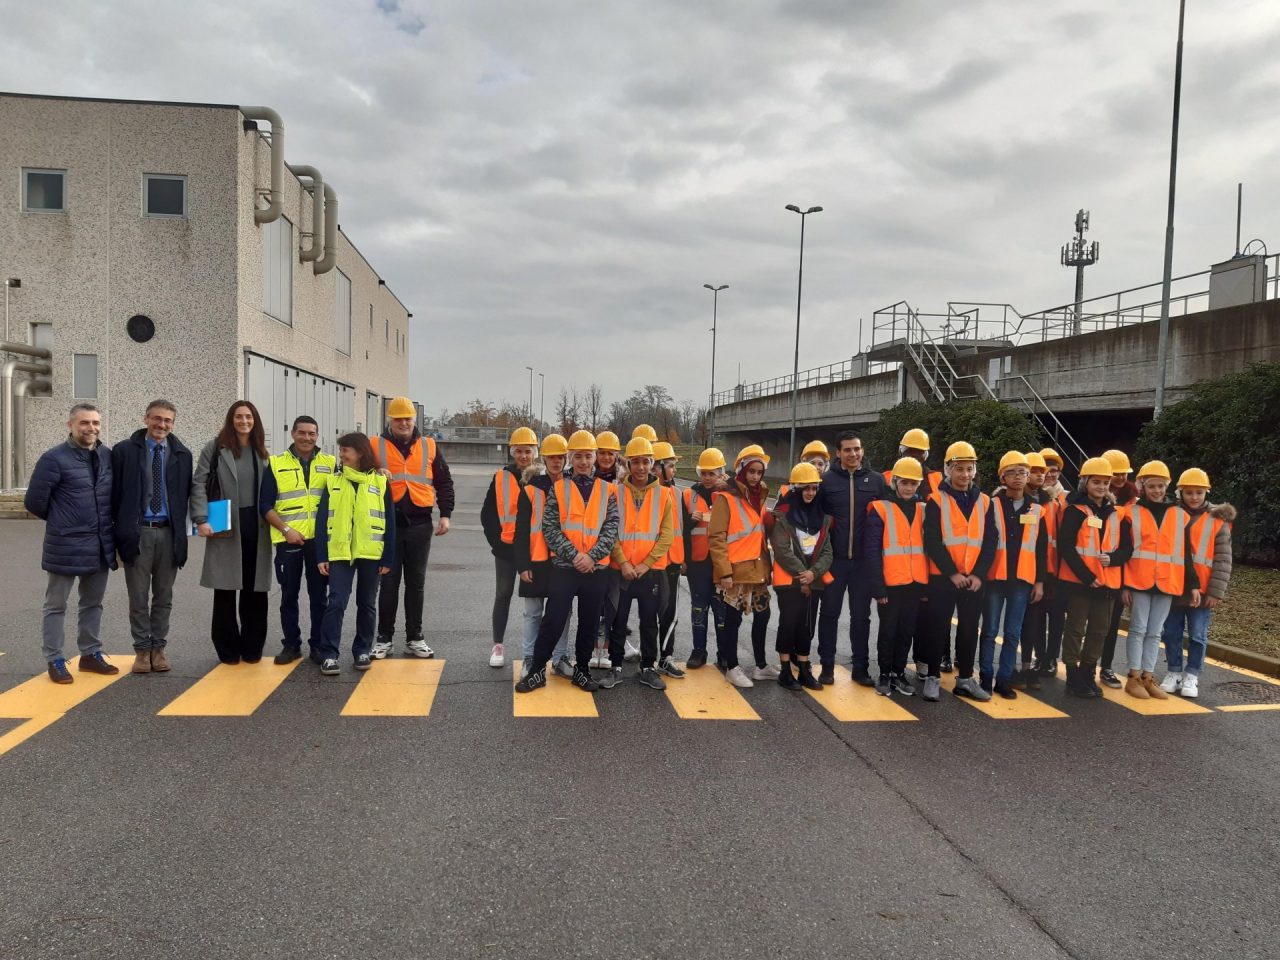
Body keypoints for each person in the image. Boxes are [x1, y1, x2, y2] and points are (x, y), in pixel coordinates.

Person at [515, 430, 619, 694]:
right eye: (578, 457)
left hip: (596, 569)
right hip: (565, 568)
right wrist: (575, 556)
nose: (584, 462)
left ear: (595, 458)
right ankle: (537, 669)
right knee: (554, 619)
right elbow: (549, 528)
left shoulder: (608, 490)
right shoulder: (559, 489)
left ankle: (581, 670)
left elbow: (611, 528)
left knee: (588, 621)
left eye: (588, 456)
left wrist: (591, 557)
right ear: (571, 458)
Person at [25, 403, 120, 684]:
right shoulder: (53, 458)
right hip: (65, 544)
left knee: (93, 603)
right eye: (84, 423)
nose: (91, 428)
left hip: (100, 543)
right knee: (56, 605)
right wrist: (64, 522)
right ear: (70, 425)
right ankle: (54, 658)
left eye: (95, 423)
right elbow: (34, 502)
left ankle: (90, 653)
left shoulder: (106, 455)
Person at [110, 399, 193, 675]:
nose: (162, 425)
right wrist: (117, 534)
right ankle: (142, 650)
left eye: (167, 420)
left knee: (164, 596)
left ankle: (159, 648)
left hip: (169, 534)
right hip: (138, 532)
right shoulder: (124, 451)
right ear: (146, 419)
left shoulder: (182, 455)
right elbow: (114, 496)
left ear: (173, 423)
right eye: (157, 419)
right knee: (138, 595)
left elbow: (186, 496)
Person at [372, 396, 454, 660]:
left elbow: (444, 482)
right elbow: (355, 474)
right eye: (398, 419)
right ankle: (383, 638)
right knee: (388, 584)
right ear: (390, 421)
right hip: (389, 525)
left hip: (420, 524)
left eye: (407, 418)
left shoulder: (429, 446)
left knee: (416, 584)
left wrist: (446, 515)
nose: (403, 423)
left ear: (414, 420)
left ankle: (414, 638)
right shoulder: (375, 445)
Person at [192, 400, 273, 664]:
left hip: (257, 525)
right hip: (225, 523)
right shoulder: (215, 448)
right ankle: (227, 650)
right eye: (239, 417)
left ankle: (252, 648)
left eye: (248, 417)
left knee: (255, 591)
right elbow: (199, 483)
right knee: (226, 590)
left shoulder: (262, 451)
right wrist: (201, 518)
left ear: (255, 420)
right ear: (231, 419)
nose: (244, 421)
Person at [314, 433, 396, 675]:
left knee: (367, 604)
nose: (341, 455)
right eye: (341, 451)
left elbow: (389, 521)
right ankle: (329, 654)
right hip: (339, 552)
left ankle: (362, 650)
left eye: (345, 450)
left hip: (371, 553)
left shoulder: (380, 482)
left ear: (360, 452)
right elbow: (321, 522)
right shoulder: (333, 482)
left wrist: (387, 557)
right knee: (336, 602)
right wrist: (321, 555)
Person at [923, 441, 996, 701]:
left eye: (969, 468)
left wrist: (978, 574)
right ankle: (932, 677)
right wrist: (952, 573)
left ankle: (964, 678)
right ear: (948, 470)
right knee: (938, 628)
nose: (965, 474)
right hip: (944, 578)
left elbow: (990, 541)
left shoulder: (986, 502)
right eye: (959, 469)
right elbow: (932, 541)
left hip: (973, 580)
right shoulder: (936, 500)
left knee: (968, 629)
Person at [260, 416, 335, 665]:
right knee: (288, 596)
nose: (307, 438)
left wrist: (379, 470)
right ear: (293, 434)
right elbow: (265, 505)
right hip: (288, 540)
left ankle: (318, 645)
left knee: (319, 597)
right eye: (302, 433)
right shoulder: (275, 463)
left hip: (320, 543)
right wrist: (285, 530)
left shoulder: (331, 463)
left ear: (317, 436)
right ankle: (291, 645)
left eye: (312, 433)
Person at [1057, 456, 1134, 697]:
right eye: (1096, 482)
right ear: (1085, 483)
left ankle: (1088, 673)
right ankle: (1072, 677)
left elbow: (1127, 548)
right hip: (1081, 583)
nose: (1101, 487)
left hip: (1107, 584)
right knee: (1075, 629)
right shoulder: (1075, 510)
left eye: (1105, 482)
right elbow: (1066, 547)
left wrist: (1114, 559)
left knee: (1100, 630)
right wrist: (1087, 576)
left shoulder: (1115, 513)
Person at [1119, 461, 1196, 700]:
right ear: (1142, 486)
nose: (1156, 491)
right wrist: (1123, 584)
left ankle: (1147, 677)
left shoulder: (1180, 515)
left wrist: (1192, 585)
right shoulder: (1130, 513)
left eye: (1160, 486)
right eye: (1151, 486)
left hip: (1167, 582)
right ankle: (1133, 677)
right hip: (1138, 580)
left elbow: (1185, 553)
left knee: (1155, 632)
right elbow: (1123, 550)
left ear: (1167, 487)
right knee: (1138, 629)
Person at [602, 436, 673, 690]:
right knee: (618, 620)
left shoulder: (664, 495)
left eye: (646, 462)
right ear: (628, 464)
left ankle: (648, 667)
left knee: (648, 621)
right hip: (621, 571)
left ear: (653, 464)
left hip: (649, 571)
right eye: (635, 462)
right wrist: (622, 562)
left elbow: (667, 535)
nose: (641, 467)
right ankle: (616, 666)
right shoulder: (615, 492)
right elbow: (610, 530)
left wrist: (645, 564)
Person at [817, 430, 887, 685]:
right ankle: (826, 667)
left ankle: (861, 669)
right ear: (838, 453)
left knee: (861, 617)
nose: (853, 454)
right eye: (847, 450)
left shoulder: (877, 482)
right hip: (834, 561)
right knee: (829, 614)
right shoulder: (826, 482)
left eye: (857, 449)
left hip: (863, 564)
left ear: (862, 450)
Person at [977, 452, 1047, 699]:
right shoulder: (991, 505)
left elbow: (1041, 548)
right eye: (1013, 472)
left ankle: (1004, 680)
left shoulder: (1038, 510)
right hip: (995, 577)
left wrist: (1040, 582)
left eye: (1023, 473)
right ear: (1002, 476)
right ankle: (985, 678)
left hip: (1022, 580)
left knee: (1012, 633)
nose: (1018, 478)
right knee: (989, 630)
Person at [1160, 468, 1235, 698]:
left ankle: (1192, 674)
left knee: (1197, 635)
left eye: (1199, 492)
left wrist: (1215, 592)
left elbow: (1223, 559)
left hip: (1203, 590)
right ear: (1180, 493)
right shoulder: (1169, 513)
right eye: (1189, 492)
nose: (1194, 497)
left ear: (1206, 493)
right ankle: (1174, 671)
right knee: (1171, 632)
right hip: (1173, 586)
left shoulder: (1217, 520)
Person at [707, 444, 776, 688]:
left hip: (756, 570)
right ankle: (732, 667)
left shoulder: (760, 496)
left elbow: (759, 535)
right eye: (751, 471)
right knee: (733, 620)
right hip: (735, 572)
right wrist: (723, 571)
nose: (755, 476)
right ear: (741, 471)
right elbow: (716, 537)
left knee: (763, 615)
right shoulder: (726, 498)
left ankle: (760, 666)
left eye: (759, 472)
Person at [513, 434, 574, 679]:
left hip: (563, 561)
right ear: (545, 459)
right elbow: (521, 531)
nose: (557, 462)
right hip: (536, 560)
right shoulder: (530, 490)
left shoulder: (572, 488)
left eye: (561, 457)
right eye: (552, 457)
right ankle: (530, 657)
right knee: (533, 613)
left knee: (563, 612)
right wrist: (522, 564)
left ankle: (560, 658)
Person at [866, 458, 929, 698]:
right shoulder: (880, 509)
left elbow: (929, 549)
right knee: (888, 631)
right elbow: (872, 551)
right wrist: (878, 588)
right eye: (904, 482)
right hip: (890, 585)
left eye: (913, 484)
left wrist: (925, 586)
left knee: (906, 631)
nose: (909, 488)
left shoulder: (923, 509)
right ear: (894, 482)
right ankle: (884, 673)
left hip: (914, 583)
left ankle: (898, 673)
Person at [770, 463, 832, 691]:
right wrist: (802, 574)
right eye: (805, 488)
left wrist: (813, 573)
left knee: (806, 625)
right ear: (796, 489)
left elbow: (827, 550)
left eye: (814, 488)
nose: (810, 493)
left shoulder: (823, 518)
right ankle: (785, 670)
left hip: (812, 580)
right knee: (789, 623)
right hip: (789, 581)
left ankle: (804, 668)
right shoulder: (783, 516)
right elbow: (782, 549)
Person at [482, 426, 539, 668]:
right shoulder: (500, 477)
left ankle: (534, 649)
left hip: (533, 550)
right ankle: (498, 645)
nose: (524, 456)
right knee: (503, 595)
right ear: (512, 452)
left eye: (528, 451)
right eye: (519, 451)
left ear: (535, 452)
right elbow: (488, 516)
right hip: (506, 550)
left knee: (534, 601)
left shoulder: (542, 479)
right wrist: (497, 543)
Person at [683, 448, 729, 669]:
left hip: (722, 563)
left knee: (721, 610)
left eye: (713, 473)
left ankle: (724, 652)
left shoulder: (730, 495)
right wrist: (690, 521)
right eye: (705, 473)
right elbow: (678, 530)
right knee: (699, 607)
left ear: (722, 473)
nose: (708, 477)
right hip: (698, 563)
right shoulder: (688, 495)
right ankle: (698, 651)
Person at [1096, 448, 1138, 688]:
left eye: (1123, 473)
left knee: (1111, 625)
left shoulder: (1135, 502)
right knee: (1089, 625)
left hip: (1119, 572)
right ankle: (1084, 665)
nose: (1120, 478)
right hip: (1092, 573)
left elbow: (1131, 544)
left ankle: (1107, 667)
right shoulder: (1095, 501)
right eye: (1115, 473)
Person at [652, 440, 687, 678]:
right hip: (652, 562)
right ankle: (643, 657)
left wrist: (684, 559)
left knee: (669, 612)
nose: (674, 470)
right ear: (657, 467)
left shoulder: (677, 493)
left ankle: (666, 656)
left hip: (673, 562)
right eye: (671, 465)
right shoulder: (649, 493)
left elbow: (681, 529)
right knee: (648, 614)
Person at [590, 430, 623, 667]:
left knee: (613, 602)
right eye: (601, 453)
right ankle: (594, 647)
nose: (605, 457)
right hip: (594, 547)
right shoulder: (586, 478)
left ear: (616, 455)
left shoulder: (624, 480)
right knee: (594, 601)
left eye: (610, 453)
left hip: (618, 548)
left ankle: (609, 646)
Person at [881, 428, 943, 493]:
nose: (915, 454)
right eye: (911, 450)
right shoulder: (884, 478)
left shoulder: (936, 478)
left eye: (919, 451)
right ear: (901, 452)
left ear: (925, 455)